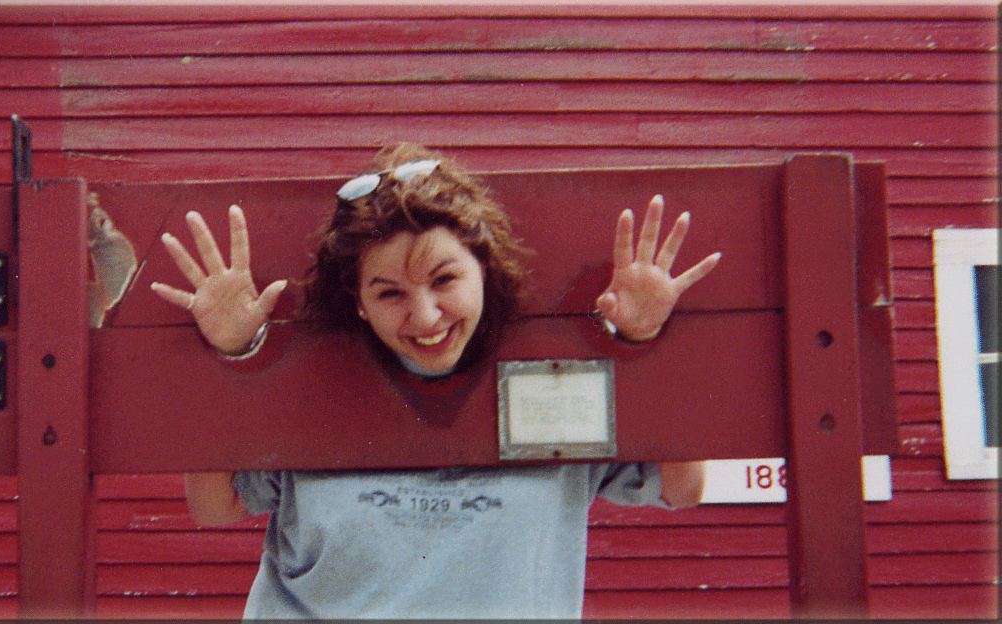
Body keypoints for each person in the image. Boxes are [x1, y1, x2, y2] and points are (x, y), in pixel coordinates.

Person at [150, 143, 721, 619]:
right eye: (390, 292)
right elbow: (214, 505)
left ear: (484, 271)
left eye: (444, 279)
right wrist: (227, 357)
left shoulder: (561, 390)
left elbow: (683, 488)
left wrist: (646, 349)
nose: (424, 318)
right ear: (360, 305)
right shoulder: (308, 393)